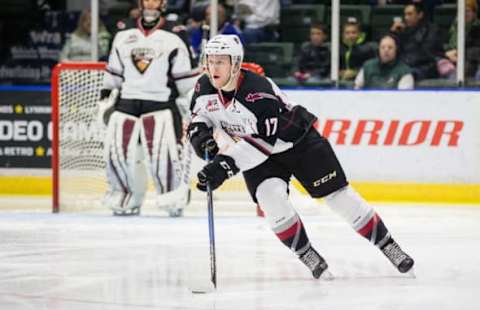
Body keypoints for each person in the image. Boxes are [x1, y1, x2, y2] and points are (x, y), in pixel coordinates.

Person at [188, 34, 415, 279]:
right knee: (270, 200)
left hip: (297, 143)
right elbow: (200, 117)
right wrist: (200, 137)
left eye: (221, 61)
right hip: (256, 152)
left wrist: (224, 167)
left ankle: (388, 245)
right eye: (210, 61)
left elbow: (263, 142)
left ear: (236, 63)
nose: (213, 68)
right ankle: (306, 253)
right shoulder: (202, 88)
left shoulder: (258, 92)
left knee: (338, 198)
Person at [98, 0, 200, 217]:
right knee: (117, 152)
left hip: (161, 103)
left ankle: (171, 196)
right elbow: (113, 74)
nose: (151, 2)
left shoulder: (176, 33)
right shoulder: (124, 31)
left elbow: (184, 81)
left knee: (164, 156)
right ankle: (126, 195)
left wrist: (191, 99)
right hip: (126, 102)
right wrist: (105, 96)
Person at [390, 2, 444, 80]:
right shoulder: (403, 30)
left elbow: (425, 54)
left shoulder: (432, 30)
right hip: (406, 66)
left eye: (410, 14)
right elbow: (393, 49)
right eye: (405, 14)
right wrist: (393, 33)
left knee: (405, 75)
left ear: (420, 15)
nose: (406, 18)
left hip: (423, 68)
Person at [444, 0, 480, 79]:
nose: (464, 14)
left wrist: (458, 53)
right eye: (461, 11)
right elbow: (444, 45)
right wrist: (447, 53)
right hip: (451, 61)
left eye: (467, 11)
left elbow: (476, 50)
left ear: (474, 13)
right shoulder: (454, 27)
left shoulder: (477, 28)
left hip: (472, 63)